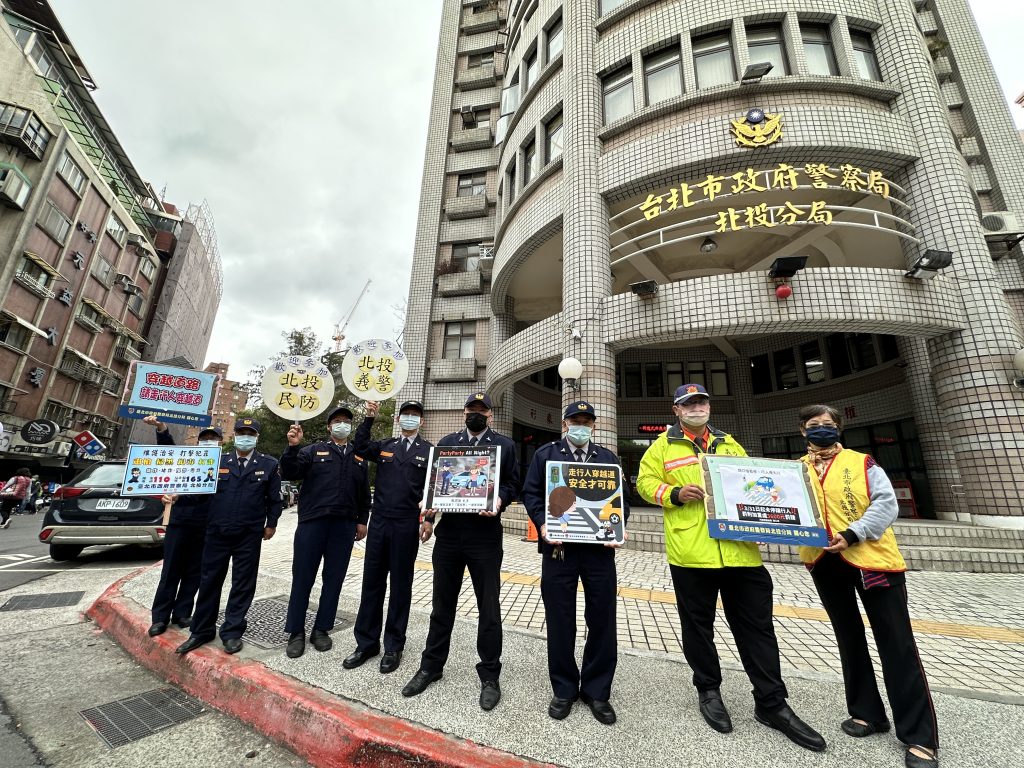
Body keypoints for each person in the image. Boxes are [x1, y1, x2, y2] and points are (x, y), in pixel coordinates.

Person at [637, 383, 825, 752]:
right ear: (676, 410)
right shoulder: (662, 446)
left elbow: (751, 485)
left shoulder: (729, 443)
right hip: (692, 553)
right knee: (698, 628)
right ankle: (708, 691)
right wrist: (673, 494)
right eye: (688, 404)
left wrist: (766, 520)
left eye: (701, 402)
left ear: (709, 406)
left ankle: (771, 703)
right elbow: (644, 484)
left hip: (741, 554)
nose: (696, 408)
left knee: (758, 629)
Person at [796, 405, 938, 768]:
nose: (822, 429)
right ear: (803, 432)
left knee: (897, 645)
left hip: (873, 562)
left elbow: (886, 505)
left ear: (839, 428)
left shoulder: (863, 463)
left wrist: (853, 533)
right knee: (848, 637)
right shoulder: (796, 469)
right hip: (824, 562)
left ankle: (920, 737)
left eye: (828, 424)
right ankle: (866, 713)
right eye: (814, 425)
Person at [401, 392, 520, 711]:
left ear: (490, 414)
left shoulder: (504, 446)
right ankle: (431, 666)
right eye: (471, 408)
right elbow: (435, 483)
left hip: (485, 537)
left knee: (489, 608)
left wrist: (500, 499)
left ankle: (490, 675)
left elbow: (512, 483)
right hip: (450, 536)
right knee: (441, 606)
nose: (476, 413)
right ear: (464, 411)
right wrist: (428, 517)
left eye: (482, 409)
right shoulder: (448, 443)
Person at [522, 401, 627, 725]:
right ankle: (564, 689)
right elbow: (531, 494)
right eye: (575, 420)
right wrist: (542, 524)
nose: (581, 425)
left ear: (593, 425)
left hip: (599, 553)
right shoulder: (546, 455)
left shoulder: (607, 459)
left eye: (586, 421)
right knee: (560, 620)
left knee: (603, 619)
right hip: (559, 551)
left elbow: (620, 501)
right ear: (565, 424)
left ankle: (597, 691)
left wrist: (618, 526)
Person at [175, 418, 282, 656]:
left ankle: (232, 631)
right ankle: (201, 630)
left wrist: (271, 524)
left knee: (242, 584)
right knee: (209, 581)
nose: (246, 437)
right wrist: (177, 497)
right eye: (241, 432)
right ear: (234, 435)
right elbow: (198, 493)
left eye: (250, 433)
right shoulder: (217, 461)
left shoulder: (269, 464)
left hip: (249, 533)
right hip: (217, 532)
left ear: (257, 437)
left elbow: (274, 499)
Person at [343, 400, 432, 674]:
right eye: (406, 414)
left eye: (415, 415)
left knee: (400, 586)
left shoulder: (429, 451)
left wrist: (428, 520)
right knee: (372, 583)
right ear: (397, 418)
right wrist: (369, 417)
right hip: (379, 522)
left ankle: (394, 645)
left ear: (422, 421)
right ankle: (366, 643)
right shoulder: (385, 446)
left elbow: (434, 487)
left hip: (406, 524)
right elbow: (359, 446)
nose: (410, 418)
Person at [281, 405, 371, 658]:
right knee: (303, 578)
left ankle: (321, 629)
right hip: (312, 523)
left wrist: (362, 520)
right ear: (329, 426)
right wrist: (292, 447)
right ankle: (296, 631)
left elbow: (364, 494)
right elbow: (291, 472)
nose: (342, 424)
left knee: (334, 579)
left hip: (344, 526)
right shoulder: (312, 451)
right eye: (337, 421)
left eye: (347, 421)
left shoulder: (359, 457)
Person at [144, 415, 223, 637]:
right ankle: (160, 617)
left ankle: (182, 613)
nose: (208, 442)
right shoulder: (187, 459)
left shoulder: (224, 464)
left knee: (195, 572)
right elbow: (168, 451)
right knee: (171, 570)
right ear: (198, 441)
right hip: (180, 522)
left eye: (213, 439)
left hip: (206, 524)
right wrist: (161, 428)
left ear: (220, 442)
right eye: (205, 438)